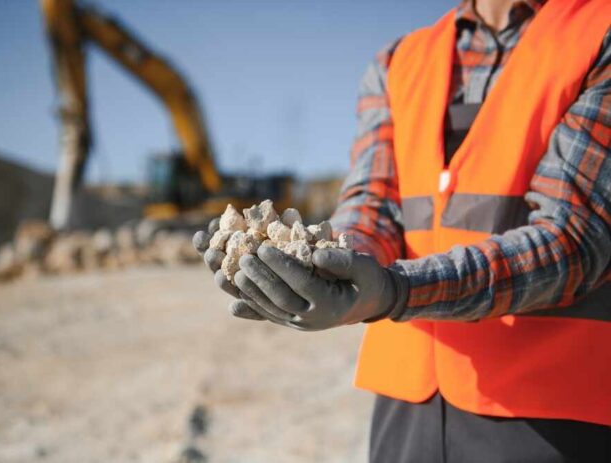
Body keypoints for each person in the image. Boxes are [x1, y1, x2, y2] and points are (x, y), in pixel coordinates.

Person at [193, 0, 611, 461]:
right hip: (408, 407)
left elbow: (573, 239)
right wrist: (330, 263)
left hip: (553, 416)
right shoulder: (399, 61)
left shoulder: (597, 33)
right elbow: (374, 204)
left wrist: (393, 290)